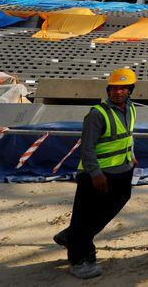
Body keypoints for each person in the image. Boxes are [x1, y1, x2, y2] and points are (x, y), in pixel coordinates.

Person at [53, 68, 139, 279]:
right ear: (108, 90)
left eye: (123, 88)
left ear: (130, 91)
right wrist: (95, 173)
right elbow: (87, 148)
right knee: (85, 218)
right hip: (98, 175)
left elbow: (127, 135)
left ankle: (72, 236)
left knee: (115, 203)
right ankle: (79, 259)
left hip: (122, 170)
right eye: (114, 88)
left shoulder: (130, 109)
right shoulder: (96, 114)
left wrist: (132, 154)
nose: (118, 92)